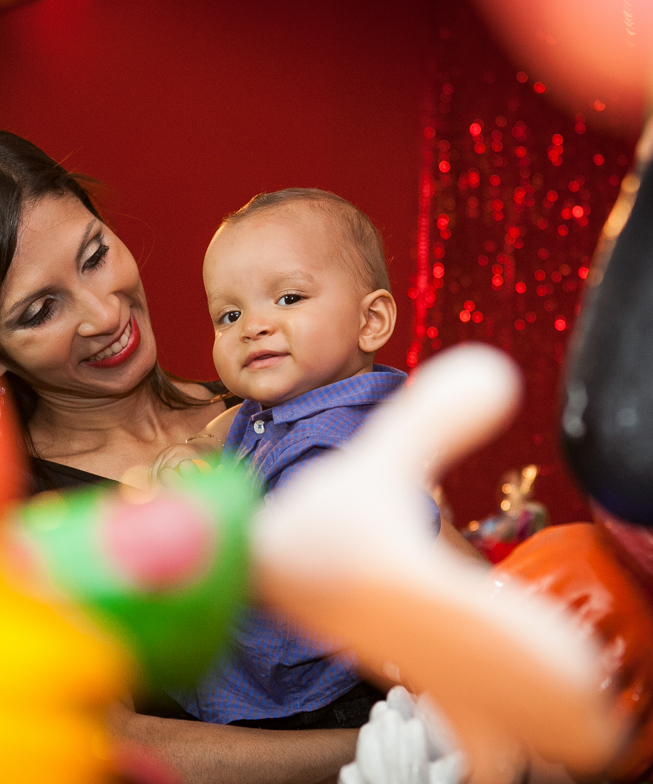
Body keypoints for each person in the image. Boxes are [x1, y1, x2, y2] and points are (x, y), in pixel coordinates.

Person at [0, 129, 361, 784]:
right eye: (41, 309)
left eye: (95, 255)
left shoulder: (272, 403)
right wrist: (386, 750)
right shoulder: (26, 528)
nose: (104, 313)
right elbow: (112, 748)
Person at [157, 188, 441, 730]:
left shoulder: (340, 441)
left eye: (288, 299)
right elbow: (235, 422)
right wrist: (200, 446)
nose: (252, 326)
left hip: (313, 697)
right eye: (229, 314)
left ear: (371, 321)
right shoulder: (285, 406)